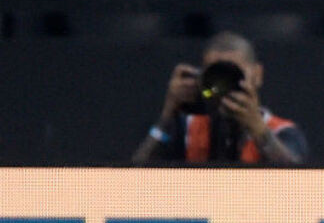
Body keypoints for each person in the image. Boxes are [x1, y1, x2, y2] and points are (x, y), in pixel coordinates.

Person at [130, 31, 309, 165]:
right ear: (202, 78)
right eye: (216, 74)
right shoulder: (187, 129)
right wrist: (167, 115)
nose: (225, 83)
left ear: (257, 75)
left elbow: (297, 184)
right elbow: (134, 179)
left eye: (233, 73)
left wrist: (259, 130)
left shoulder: (282, 131)